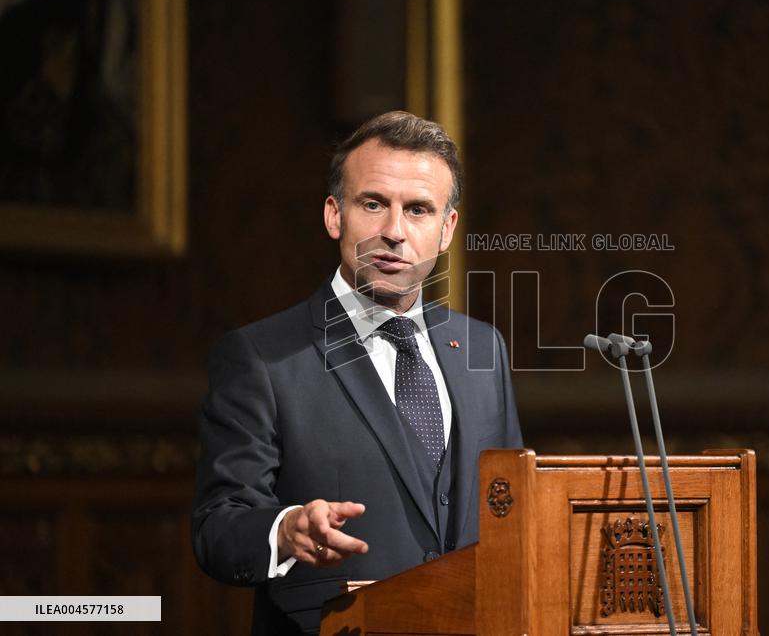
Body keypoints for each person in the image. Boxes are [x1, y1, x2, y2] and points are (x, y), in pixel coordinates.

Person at [191, 111, 523, 635]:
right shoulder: (261, 356)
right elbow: (218, 527)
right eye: (373, 204)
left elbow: (511, 511)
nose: (394, 231)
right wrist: (285, 530)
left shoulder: (482, 347)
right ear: (334, 215)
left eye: (418, 210)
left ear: (447, 230)